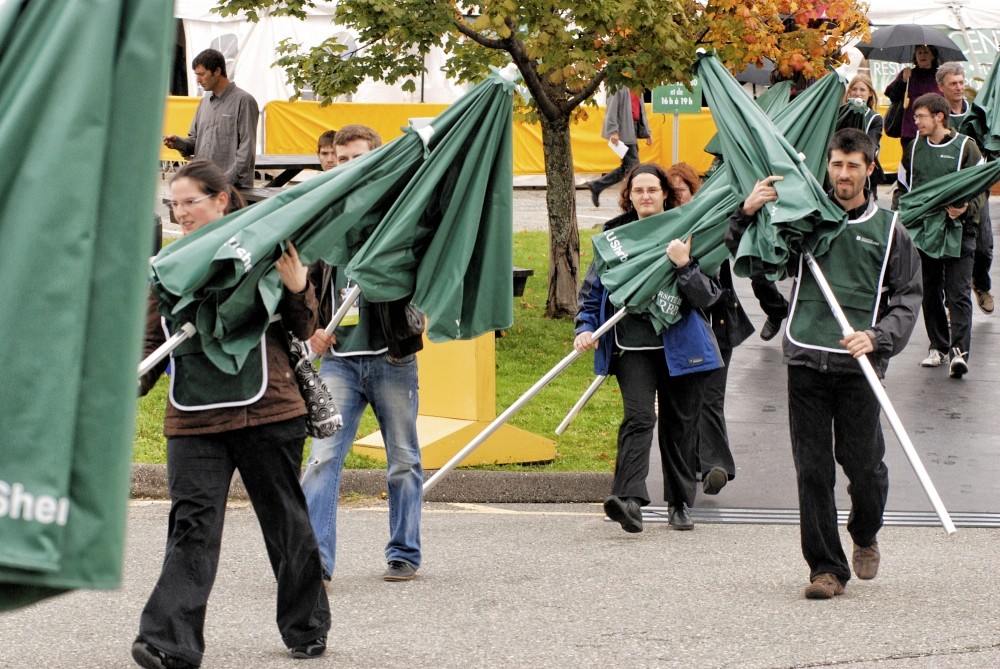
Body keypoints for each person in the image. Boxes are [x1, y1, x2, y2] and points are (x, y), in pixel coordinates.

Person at [134, 160, 330, 668]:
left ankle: (306, 627)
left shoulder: (264, 249)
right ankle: (167, 643)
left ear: (221, 199)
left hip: (268, 409)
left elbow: (304, 325)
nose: (180, 213)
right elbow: (150, 343)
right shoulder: (167, 267)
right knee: (191, 527)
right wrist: (123, 384)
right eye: (173, 204)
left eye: (189, 202)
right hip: (194, 418)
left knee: (286, 523)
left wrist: (297, 286)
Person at [726, 128, 922, 599]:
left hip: (859, 365)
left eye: (853, 165)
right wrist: (747, 213)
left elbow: (907, 297)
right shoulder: (806, 221)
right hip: (806, 360)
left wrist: (877, 337)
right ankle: (826, 569)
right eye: (836, 164)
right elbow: (756, 258)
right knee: (812, 470)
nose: (844, 174)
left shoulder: (890, 230)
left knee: (865, 467)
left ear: (870, 169)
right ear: (827, 166)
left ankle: (865, 531)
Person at [300, 125, 425, 585]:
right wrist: (311, 327)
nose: (349, 166)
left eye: (359, 157)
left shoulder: (398, 210)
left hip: (392, 358)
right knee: (322, 458)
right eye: (342, 159)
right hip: (339, 361)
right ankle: (315, 559)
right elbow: (306, 280)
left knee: (403, 460)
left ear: (377, 158)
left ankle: (404, 552)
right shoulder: (327, 211)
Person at [575, 163, 722, 533]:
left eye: (652, 190)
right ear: (629, 196)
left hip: (681, 344)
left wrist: (684, 266)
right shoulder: (615, 237)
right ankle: (628, 500)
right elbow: (594, 289)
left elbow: (708, 296)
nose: (645, 196)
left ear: (665, 194)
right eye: (638, 190)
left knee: (680, 425)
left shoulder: (687, 231)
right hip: (632, 345)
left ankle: (680, 503)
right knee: (639, 417)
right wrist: (585, 327)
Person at [666, 163, 754, 495]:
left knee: (711, 397)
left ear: (695, 194)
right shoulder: (662, 229)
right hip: (681, 328)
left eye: (682, 191)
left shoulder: (710, 227)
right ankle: (694, 462)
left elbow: (710, 287)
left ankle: (716, 465)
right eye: (672, 193)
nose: (678, 199)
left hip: (717, 325)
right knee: (687, 400)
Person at [894, 93, 985, 377]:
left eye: (921, 116)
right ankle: (938, 347)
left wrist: (966, 208)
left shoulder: (966, 147)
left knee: (958, 293)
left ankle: (959, 353)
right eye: (915, 117)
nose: (916, 122)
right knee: (929, 290)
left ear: (939, 117)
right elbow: (902, 188)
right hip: (923, 231)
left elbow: (980, 187)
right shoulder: (913, 148)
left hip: (960, 229)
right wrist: (899, 217)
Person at [936, 61, 995, 316]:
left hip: (976, 186)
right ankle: (951, 306)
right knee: (949, 250)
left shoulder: (978, 113)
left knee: (984, 244)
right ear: (941, 87)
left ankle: (981, 285)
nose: (959, 87)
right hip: (948, 189)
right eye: (953, 83)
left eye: (961, 82)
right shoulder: (938, 116)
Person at [163, 49, 259, 188]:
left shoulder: (244, 101)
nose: (198, 80)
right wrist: (178, 143)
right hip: (202, 184)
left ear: (217, 71)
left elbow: (247, 150)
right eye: (196, 75)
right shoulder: (204, 102)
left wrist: (225, 181)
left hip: (233, 189)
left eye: (202, 74)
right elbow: (196, 141)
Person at [586, 87, 651, 208]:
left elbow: (640, 109)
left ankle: (597, 185)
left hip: (632, 127)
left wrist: (646, 132)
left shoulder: (636, 85)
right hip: (624, 130)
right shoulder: (618, 84)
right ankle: (632, 200)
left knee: (627, 167)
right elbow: (612, 109)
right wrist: (613, 131)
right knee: (633, 168)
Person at [884, 45, 941, 170]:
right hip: (910, 130)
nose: (922, 55)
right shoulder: (909, 74)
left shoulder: (940, 76)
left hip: (934, 130)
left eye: (926, 52)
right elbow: (892, 96)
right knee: (910, 165)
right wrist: (903, 80)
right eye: (919, 53)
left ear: (933, 55)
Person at [837, 75, 884, 199]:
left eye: (862, 90)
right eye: (854, 89)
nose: (858, 93)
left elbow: (871, 146)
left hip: (863, 171)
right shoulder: (839, 113)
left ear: (870, 93)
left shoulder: (875, 118)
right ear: (849, 92)